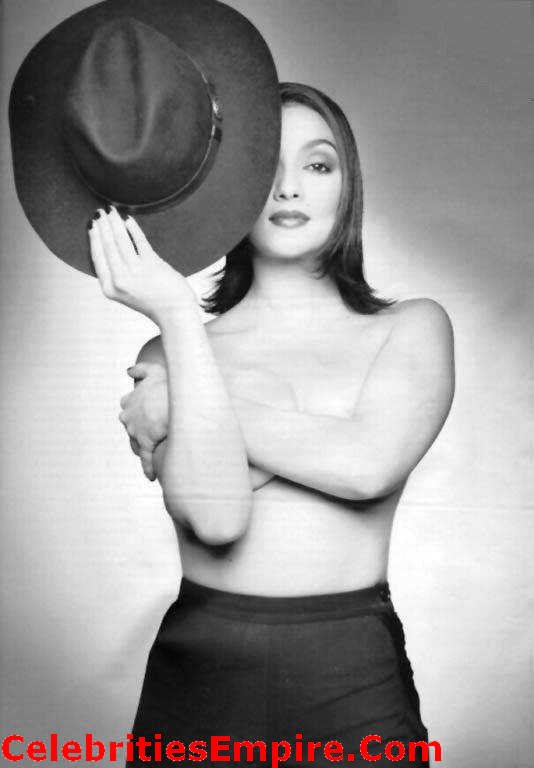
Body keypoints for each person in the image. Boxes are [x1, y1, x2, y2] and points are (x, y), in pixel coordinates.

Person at [88, 82, 454, 767]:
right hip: (197, 684)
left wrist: (192, 404)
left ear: (349, 185)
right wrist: (175, 313)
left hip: (350, 677)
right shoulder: (169, 351)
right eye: (265, 167)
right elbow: (218, 519)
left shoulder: (412, 327)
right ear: (231, 191)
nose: (289, 188)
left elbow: (365, 466)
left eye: (317, 164)